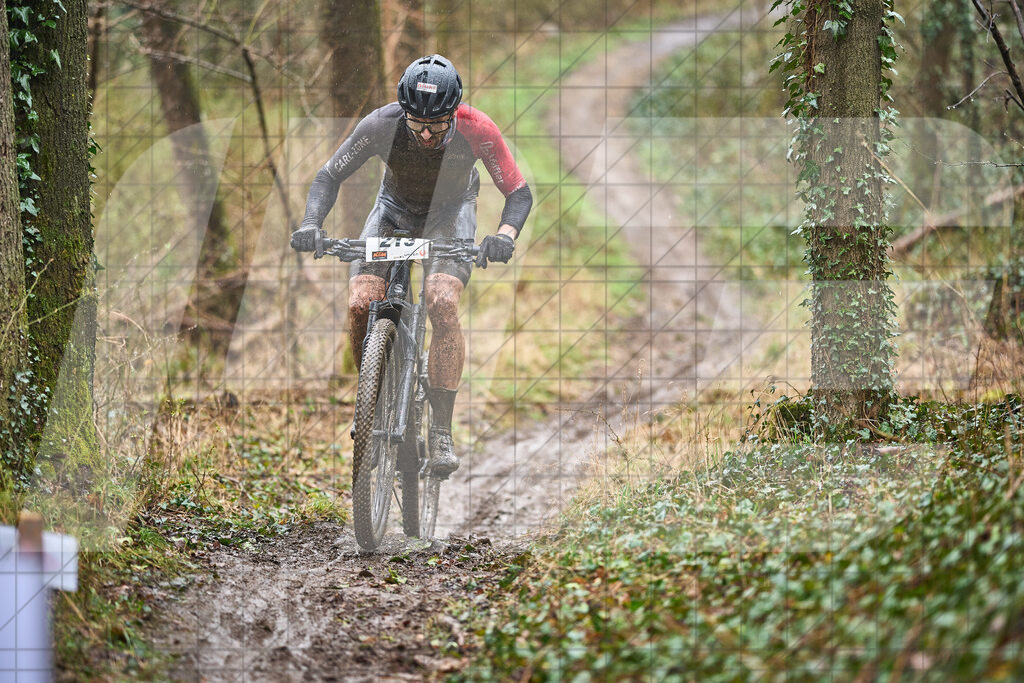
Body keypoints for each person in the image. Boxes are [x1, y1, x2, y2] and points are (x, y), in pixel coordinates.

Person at [291, 54, 532, 478]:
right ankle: (372, 399)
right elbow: (328, 177)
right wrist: (312, 224)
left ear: (453, 112)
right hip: (393, 212)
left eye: (436, 124)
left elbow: (518, 192)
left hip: (450, 214)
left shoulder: (478, 128)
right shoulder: (381, 125)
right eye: (416, 123)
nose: (424, 133)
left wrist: (504, 236)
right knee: (362, 303)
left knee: (441, 301)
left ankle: (440, 428)